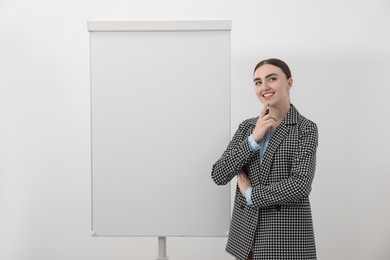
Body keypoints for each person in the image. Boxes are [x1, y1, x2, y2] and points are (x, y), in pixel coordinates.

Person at [211, 58, 318, 260]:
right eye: (258, 82)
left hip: (286, 239)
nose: (264, 87)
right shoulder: (247, 127)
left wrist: (251, 194)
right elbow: (219, 174)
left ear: (289, 83)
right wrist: (253, 139)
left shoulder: (306, 128)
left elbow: (300, 184)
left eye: (272, 79)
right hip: (246, 240)